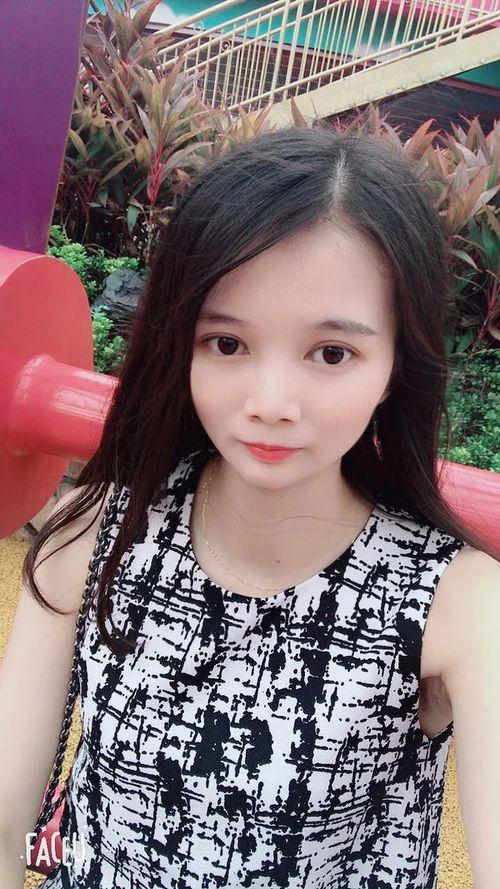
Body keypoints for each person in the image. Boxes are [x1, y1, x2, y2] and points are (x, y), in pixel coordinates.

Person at [0, 125, 499, 889]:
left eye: (331, 353)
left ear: (399, 360)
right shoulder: (97, 531)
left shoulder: (458, 603)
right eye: (227, 343)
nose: (271, 402)